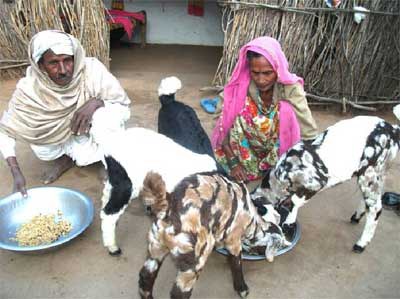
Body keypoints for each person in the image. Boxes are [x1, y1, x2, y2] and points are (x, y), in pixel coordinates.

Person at [0, 30, 131, 197]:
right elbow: (6, 130)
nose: (63, 70)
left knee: (104, 117)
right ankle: (65, 158)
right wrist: (16, 172)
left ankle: (109, 162)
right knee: (37, 136)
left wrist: (97, 103)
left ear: (75, 58)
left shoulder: (92, 71)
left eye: (67, 60)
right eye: (53, 63)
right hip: (61, 138)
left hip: (87, 132)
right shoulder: (29, 88)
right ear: (40, 66)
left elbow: (124, 108)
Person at [211, 36, 318, 183]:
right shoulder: (239, 86)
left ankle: (274, 164)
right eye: (255, 73)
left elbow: (306, 125)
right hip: (246, 147)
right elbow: (220, 125)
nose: (261, 80)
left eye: (267, 73)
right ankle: (249, 165)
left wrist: (313, 157)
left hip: (276, 147)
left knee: (287, 110)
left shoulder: (290, 88)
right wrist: (233, 161)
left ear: (277, 69)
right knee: (237, 107)